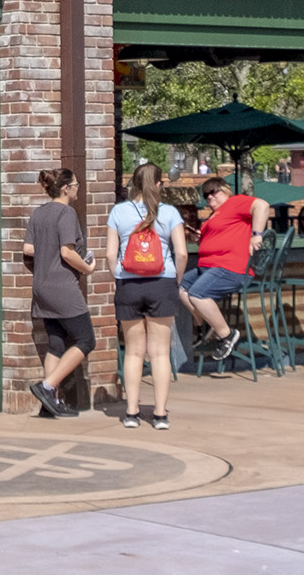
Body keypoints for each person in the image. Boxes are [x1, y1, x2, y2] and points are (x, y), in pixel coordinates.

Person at [105, 162, 186, 430]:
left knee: (133, 353)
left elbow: (110, 254)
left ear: (134, 185)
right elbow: (182, 253)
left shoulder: (119, 212)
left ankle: (131, 412)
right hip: (162, 283)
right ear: (159, 185)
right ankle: (160, 415)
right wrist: (176, 279)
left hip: (129, 284)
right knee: (160, 353)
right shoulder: (170, 212)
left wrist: (118, 277)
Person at [19, 167, 94, 418]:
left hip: (41, 287)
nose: (78, 187)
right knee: (86, 340)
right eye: (76, 184)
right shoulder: (66, 212)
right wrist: (88, 268)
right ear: (66, 188)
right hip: (62, 287)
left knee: (57, 343)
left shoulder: (39, 213)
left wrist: (46, 249)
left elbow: (28, 248)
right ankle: (47, 387)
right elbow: (67, 252)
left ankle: (49, 405)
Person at [182, 174, 272, 357]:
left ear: (224, 190)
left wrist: (257, 234)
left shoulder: (235, 202)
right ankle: (206, 325)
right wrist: (197, 237)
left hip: (231, 267)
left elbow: (262, 206)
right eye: (205, 195)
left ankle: (226, 334)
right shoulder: (213, 216)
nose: (209, 197)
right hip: (209, 267)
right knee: (180, 287)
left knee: (197, 294)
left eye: (213, 192)